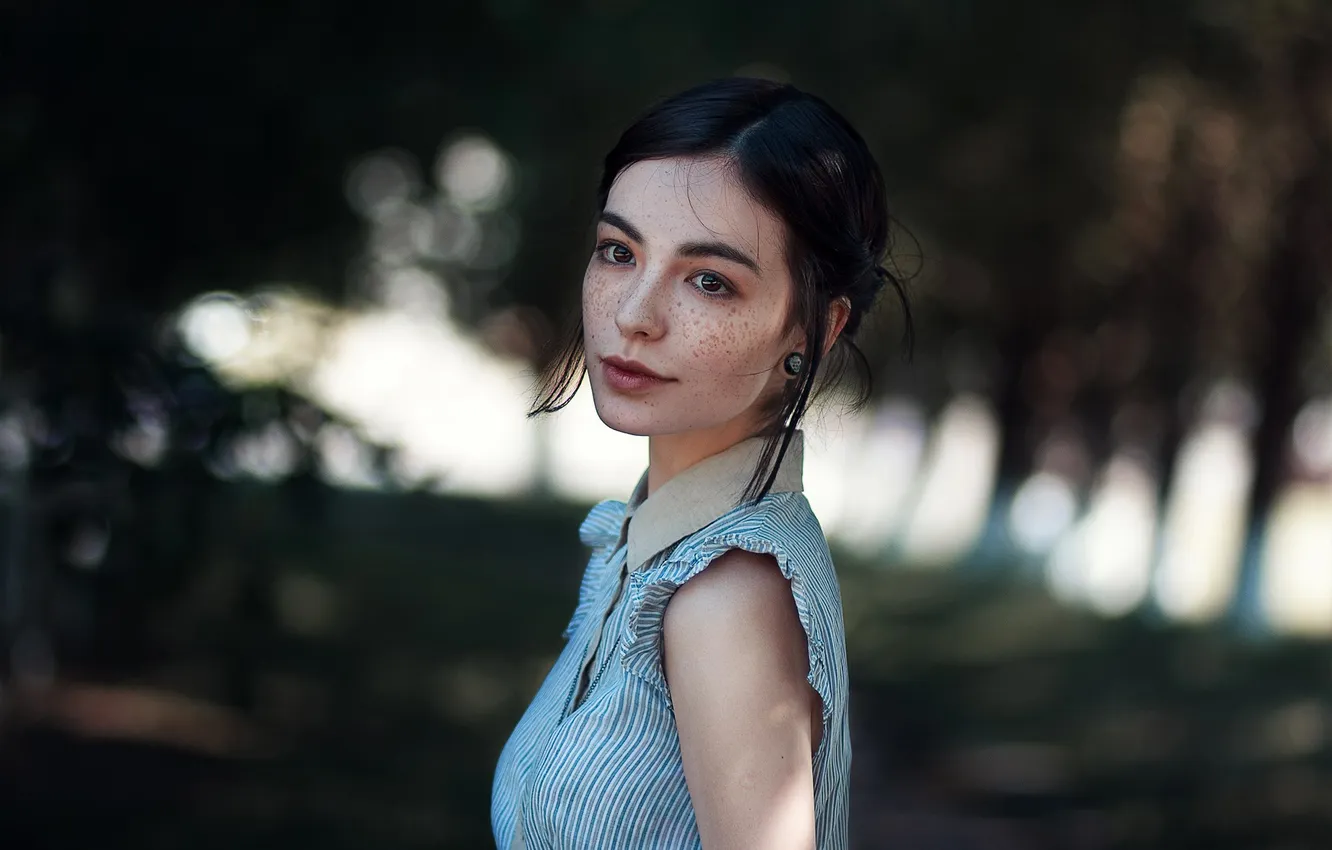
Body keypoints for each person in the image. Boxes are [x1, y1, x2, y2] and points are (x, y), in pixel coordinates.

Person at [491, 77, 912, 850]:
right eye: (619, 252)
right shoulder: (657, 550)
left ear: (815, 328)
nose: (634, 315)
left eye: (709, 281)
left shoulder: (725, 597)